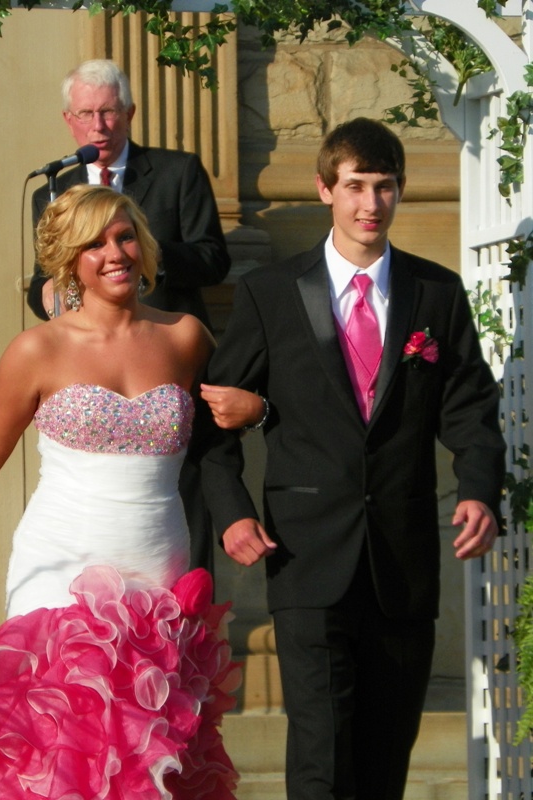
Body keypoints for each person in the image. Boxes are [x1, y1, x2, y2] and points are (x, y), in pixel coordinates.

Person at [199, 118, 506, 800]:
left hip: (401, 560)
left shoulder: (436, 293)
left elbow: (471, 410)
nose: (371, 204)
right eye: (356, 186)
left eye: (385, 187)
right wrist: (233, 515)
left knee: (385, 756)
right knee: (321, 751)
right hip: (305, 554)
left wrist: (479, 490)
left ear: (401, 190)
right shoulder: (271, 293)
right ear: (324, 189)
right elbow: (212, 421)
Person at [0, 185, 240, 799]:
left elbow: (224, 433)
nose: (115, 253)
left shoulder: (186, 338)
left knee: (143, 762)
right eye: (94, 243)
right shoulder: (37, 349)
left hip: (157, 575)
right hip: (60, 572)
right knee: (62, 757)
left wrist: (256, 411)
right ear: (69, 260)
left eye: (124, 237)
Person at [27, 59, 232, 574]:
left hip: (166, 360)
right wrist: (47, 296)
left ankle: (187, 598)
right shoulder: (53, 190)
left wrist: (137, 252)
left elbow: (213, 258)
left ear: (130, 113)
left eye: (109, 112)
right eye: (86, 114)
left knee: (185, 492)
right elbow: (44, 277)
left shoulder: (178, 171)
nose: (99, 125)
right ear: (69, 120)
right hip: (89, 365)